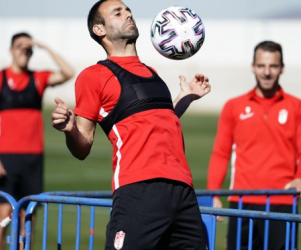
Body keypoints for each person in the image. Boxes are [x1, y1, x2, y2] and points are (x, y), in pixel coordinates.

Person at [51, 0, 211, 249]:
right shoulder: (94, 76)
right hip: (138, 190)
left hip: (183, 190)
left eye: (128, 11)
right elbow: (83, 147)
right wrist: (70, 129)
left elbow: (158, 120)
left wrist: (185, 97)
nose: (128, 15)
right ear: (99, 30)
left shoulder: (152, 71)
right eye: (118, 13)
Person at [207, 41, 301, 249]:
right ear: (253, 66)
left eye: (273, 66)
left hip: (283, 200)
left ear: (282, 68)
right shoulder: (233, 106)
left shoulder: (300, 108)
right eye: (261, 66)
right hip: (241, 201)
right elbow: (220, 153)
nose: (267, 72)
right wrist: (214, 193)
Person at [0, 32, 74, 250]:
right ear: (11, 50)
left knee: (27, 217)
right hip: (5, 158)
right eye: (20, 46)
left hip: (33, 159)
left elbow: (68, 72)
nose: (24, 51)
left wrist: (44, 47)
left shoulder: (37, 79)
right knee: (3, 215)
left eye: (28, 48)